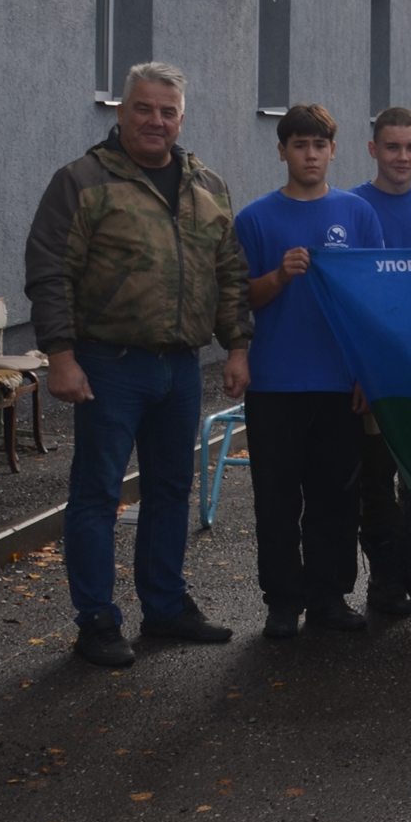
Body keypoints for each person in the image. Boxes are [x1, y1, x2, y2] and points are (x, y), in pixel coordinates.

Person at [25, 63, 248, 668]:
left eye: (167, 111)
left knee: (171, 490)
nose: (156, 120)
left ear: (181, 118)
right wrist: (61, 357)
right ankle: (96, 621)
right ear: (121, 112)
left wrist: (237, 346)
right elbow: (50, 273)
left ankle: (165, 607)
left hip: (181, 367)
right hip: (109, 365)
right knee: (97, 495)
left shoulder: (207, 185)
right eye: (143, 108)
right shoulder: (82, 181)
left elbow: (229, 272)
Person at [234, 105, 386, 638]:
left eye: (319, 145)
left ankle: (329, 597)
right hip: (275, 383)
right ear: (282, 151)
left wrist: (367, 372)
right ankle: (282, 602)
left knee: (336, 500)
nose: (310, 155)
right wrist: (279, 276)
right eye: (299, 145)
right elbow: (241, 298)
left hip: (339, 383)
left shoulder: (357, 214)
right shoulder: (255, 218)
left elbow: (374, 300)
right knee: (276, 502)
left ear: (333, 151)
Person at [349, 107, 411, 616]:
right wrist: (360, 368)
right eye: (392, 147)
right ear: (374, 149)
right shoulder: (350, 208)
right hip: (376, 373)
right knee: (377, 486)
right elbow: (349, 299)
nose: (403, 157)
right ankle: (385, 579)